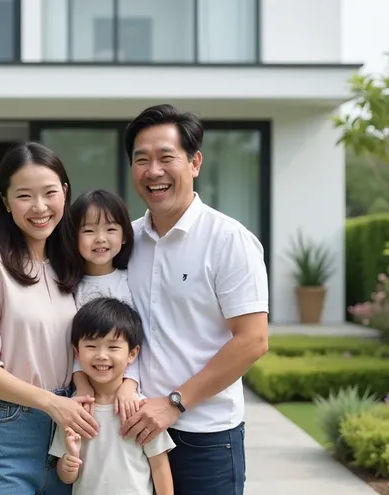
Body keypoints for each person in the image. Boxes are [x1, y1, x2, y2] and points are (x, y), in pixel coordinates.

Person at [118, 104, 270, 495]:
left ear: (195, 162)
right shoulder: (125, 242)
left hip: (205, 437)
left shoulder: (227, 240)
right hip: (134, 432)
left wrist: (174, 404)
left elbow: (253, 340)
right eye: (141, 159)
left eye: (166, 157)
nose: (154, 171)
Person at [0, 142, 101, 494]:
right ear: (5, 202)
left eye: (49, 193)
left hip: (70, 440)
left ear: (64, 193)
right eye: (24, 196)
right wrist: (52, 403)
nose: (39, 207)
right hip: (9, 435)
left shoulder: (75, 269)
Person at [49, 297, 175, 495]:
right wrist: (68, 463)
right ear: (77, 352)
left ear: (132, 354)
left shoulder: (142, 410)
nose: (101, 355)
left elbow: (159, 466)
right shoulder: (72, 410)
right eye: (91, 346)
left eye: (113, 347)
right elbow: (66, 477)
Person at [67, 190, 143, 421]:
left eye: (110, 229)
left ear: (124, 236)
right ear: (73, 236)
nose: (100, 238)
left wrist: (129, 385)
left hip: (125, 400)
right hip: (82, 399)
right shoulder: (68, 287)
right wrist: (81, 385)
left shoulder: (131, 282)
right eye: (89, 231)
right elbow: (71, 346)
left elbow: (137, 342)